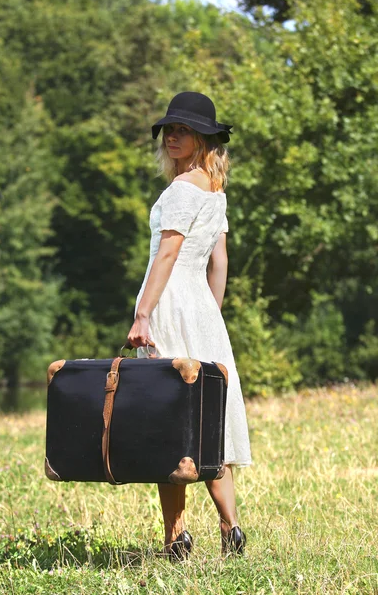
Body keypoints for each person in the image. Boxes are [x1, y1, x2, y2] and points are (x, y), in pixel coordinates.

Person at [127, 91, 252, 559]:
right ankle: (231, 530)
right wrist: (209, 315)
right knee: (206, 420)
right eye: (168, 130)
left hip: (169, 303)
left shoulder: (181, 190)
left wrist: (144, 314)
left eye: (184, 130)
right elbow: (219, 262)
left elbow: (169, 253)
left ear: (203, 138)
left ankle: (175, 540)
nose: (173, 136)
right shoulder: (214, 191)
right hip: (199, 306)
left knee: (168, 421)